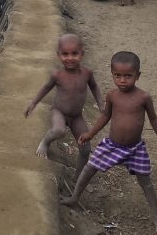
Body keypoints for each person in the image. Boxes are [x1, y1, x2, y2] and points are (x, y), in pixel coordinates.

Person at [60, 51, 157, 234]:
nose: (123, 80)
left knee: (146, 182)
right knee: (89, 168)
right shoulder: (112, 96)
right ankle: (74, 197)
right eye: (118, 76)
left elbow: (154, 119)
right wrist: (90, 134)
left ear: (138, 76)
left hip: (135, 149)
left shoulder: (143, 97)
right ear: (112, 74)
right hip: (112, 145)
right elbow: (105, 116)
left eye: (128, 76)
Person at [25, 34, 103, 180]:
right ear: (58, 55)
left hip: (76, 116)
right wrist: (34, 103)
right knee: (59, 130)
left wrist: (100, 103)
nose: (70, 58)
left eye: (75, 53)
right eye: (65, 54)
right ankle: (45, 142)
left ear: (82, 53)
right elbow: (46, 88)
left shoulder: (87, 73)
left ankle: (77, 178)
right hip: (58, 111)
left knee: (85, 149)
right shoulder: (58, 75)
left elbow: (94, 87)